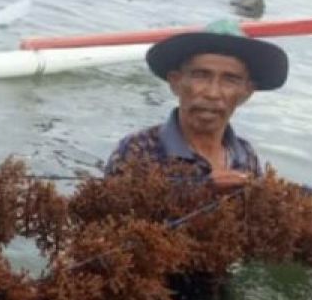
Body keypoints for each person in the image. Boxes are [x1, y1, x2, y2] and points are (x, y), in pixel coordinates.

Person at [105, 20, 288, 188]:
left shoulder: (245, 155)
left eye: (230, 80)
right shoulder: (138, 150)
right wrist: (203, 190)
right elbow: (113, 217)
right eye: (200, 76)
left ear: (246, 92)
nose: (212, 93)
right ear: (175, 82)